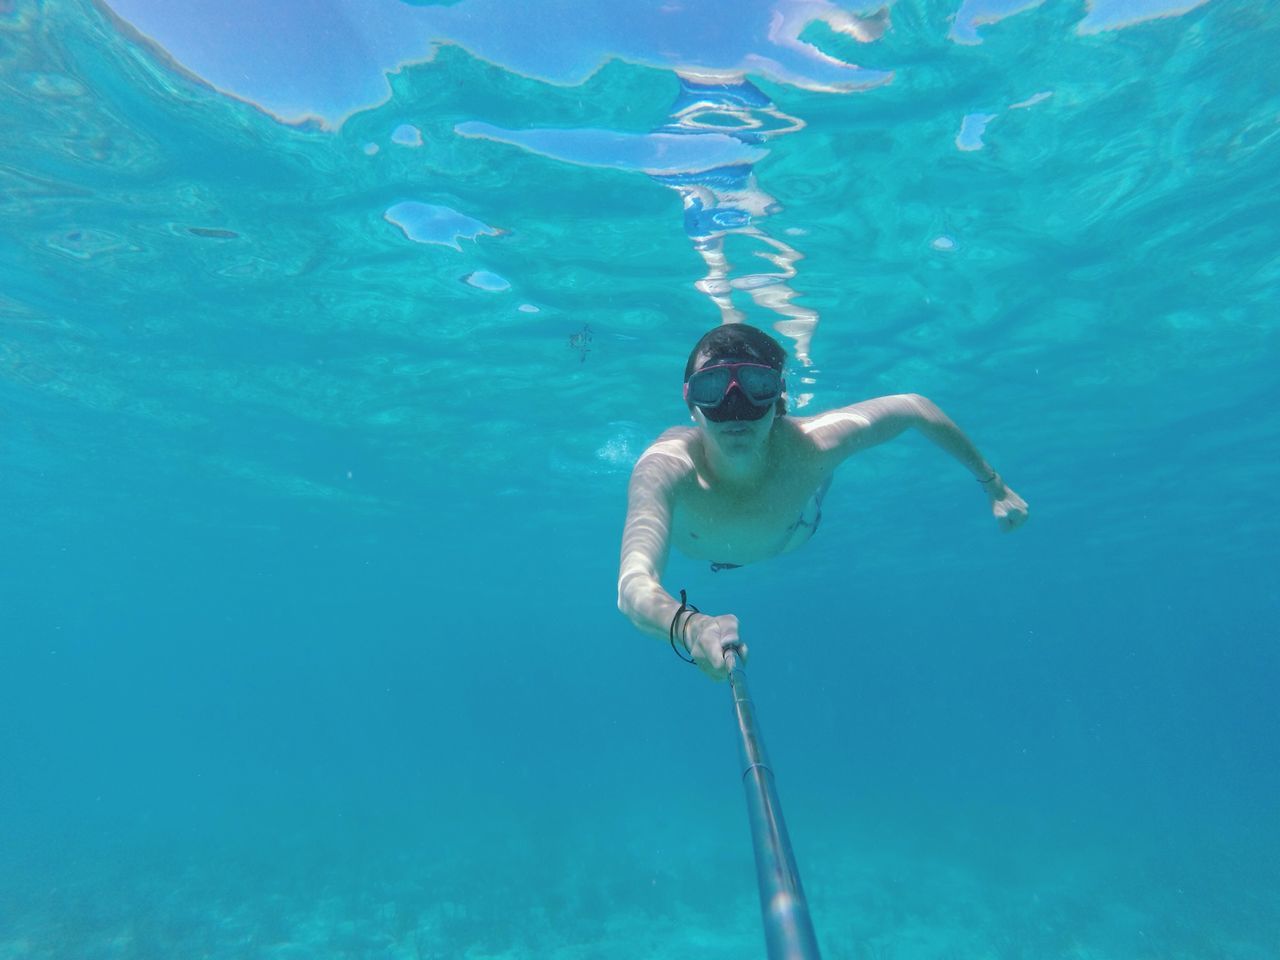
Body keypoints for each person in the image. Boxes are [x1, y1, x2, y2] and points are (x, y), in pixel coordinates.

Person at [617, 323, 1029, 681]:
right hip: (767, 531)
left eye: (757, 386)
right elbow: (633, 588)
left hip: (795, 527)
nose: (735, 407)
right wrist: (691, 629)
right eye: (713, 389)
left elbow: (913, 407)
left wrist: (996, 486)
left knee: (815, 465)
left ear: (779, 400)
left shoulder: (813, 444)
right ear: (691, 404)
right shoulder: (664, 468)